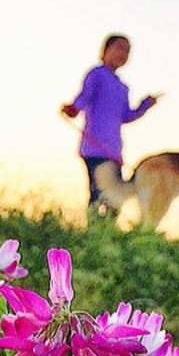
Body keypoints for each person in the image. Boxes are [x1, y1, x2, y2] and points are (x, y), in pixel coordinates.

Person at [61, 34, 159, 218]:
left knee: (116, 198)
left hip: (114, 152)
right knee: (98, 195)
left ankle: (106, 234)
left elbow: (126, 116)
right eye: (120, 47)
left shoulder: (123, 87)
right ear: (106, 50)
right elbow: (84, 97)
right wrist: (74, 108)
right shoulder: (96, 74)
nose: (124, 53)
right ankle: (92, 232)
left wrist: (145, 105)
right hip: (94, 148)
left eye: (127, 51)